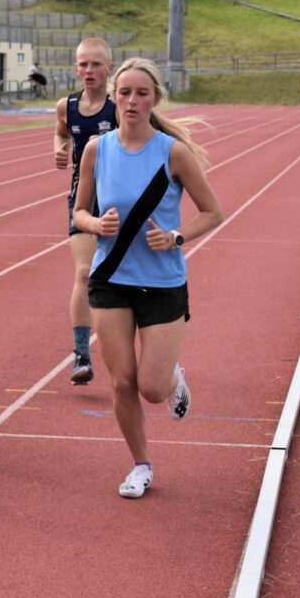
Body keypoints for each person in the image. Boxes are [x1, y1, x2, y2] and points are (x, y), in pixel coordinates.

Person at [72, 57, 223, 499]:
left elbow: (213, 212)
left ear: (155, 98)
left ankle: (172, 377)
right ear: (114, 97)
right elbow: (79, 211)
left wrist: (176, 237)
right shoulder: (97, 149)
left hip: (161, 282)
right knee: (121, 381)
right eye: (125, 92)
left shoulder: (172, 152)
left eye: (142, 93)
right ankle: (140, 465)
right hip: (110, 279)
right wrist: (93, 224)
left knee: (151, 387)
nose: (132, 100)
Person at [54, 37, 117, 385]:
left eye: (95, 64)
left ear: (109, 67)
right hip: (82, 197)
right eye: (83, 64)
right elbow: (60, 134)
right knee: (83, 273)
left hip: (121, 200)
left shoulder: (119, 106)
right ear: (75, 67)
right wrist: (61, 150)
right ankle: (81, 353)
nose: (88, 70)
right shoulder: (67, 106)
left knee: (125, 275)